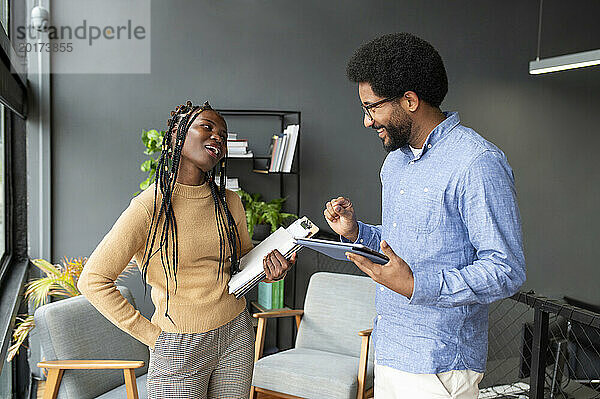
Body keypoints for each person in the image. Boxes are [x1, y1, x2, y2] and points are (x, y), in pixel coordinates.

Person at [324, 33, 526, 398]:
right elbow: (406, 242)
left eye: (372, 107)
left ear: (410, 100)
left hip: (440, 364)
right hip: (389, 348)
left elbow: (505, 270)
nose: (367, 121)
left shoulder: (477, 163)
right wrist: (357, 233)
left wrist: (417, 286)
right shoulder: (395, 163)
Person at [78, 101, 295, 399]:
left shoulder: (229, 201)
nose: (218, 136)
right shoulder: (149, 207)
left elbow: (243, 264)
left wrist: (270, 272)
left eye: (223, 133)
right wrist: (153, 337)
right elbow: (92, 280)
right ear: (176, 136)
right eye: (207, 127)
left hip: (236, 335)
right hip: (178, 345)